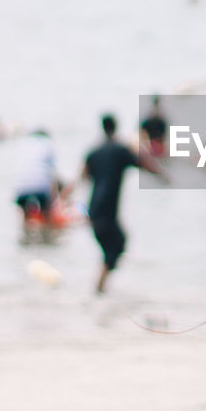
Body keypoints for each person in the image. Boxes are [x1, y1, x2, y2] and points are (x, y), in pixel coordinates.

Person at [72, 113, 164, 295]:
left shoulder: (93, 152)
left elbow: (82, 177)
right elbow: (144, 163)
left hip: (94, 211)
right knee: (117, 245)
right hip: (106, 212)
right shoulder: (120, 150)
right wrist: (164, 176)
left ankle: (101, 290)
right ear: (115, 127)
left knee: (114, 246)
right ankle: (99, 290)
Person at [12, 129, 58, 239]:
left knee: (24, 216)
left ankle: (25, 236)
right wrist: (53, 201)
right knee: (46, 212)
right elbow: (52, 176)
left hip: (21, 185)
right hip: (41, 184)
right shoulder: (49, 145)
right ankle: (46, 237)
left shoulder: (24, 145)